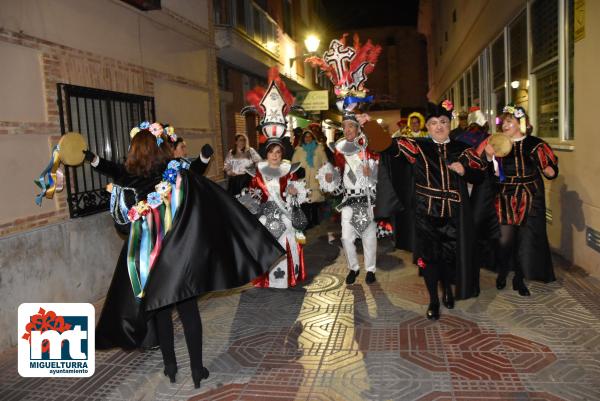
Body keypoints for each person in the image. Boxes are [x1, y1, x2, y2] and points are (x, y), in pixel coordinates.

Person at [85, 122, 285, 388]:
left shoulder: (127, 181)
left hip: (148, 258)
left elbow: (122, 224)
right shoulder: (175, 173)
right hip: (178, 255)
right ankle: (197, 369)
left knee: (161, 311)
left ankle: (170, 366)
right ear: (159, 149)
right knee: (188, 311)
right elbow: (200, 184)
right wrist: (203, 161)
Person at [387, 100, 486, 320]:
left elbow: (480, 175)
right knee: (431, 260)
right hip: (426, 215)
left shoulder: (463, 150)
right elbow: (388, 146)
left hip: (455, 216)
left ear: (449, 124)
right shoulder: (418, 147)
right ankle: (433, 299)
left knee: (450, 259)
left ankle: (448, 290)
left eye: (443, 122)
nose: (438, 126)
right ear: (428, 127)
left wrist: (465, 171)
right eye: (433, 123)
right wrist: (368, 127)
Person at [308, 34, 382, 285]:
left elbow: (380, 160)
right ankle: (353, 268)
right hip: (349, 199)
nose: (349, 130)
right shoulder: (339, 147)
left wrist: (369, 166)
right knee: (347, 237)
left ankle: (370, 269)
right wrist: (331, 178)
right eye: (346, 127)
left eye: (352, 127)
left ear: (357, 128)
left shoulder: (367, 144)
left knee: (369, 236)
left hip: (367, 197)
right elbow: (337, 174)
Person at [238, 66, 309, 288]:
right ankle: (266, 279)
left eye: (278, 152)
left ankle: (289, 276)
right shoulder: (256, 170)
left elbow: (299, 197)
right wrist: (251, 201)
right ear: (266, 154)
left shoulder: (290, 169)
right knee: (264, 230)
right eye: (272, 152)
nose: (276, 156)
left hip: (285, 213)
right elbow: (252, 195)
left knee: (287, 228)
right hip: (265, 215)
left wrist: (294, 194)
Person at [483, 104, 558, 296]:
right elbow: (492, 174)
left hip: (529, 196)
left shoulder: (534, 144)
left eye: (510, 121)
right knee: (504, 240)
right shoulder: (498, 143)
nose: (505, 125)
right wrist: (490, 157)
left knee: (526, 240)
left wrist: (551, 171)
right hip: (505, 196)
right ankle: (502, 271)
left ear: (521, 124)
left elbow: (548, 168)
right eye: (503, 122)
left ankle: (519, 278)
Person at [292, 130, 328, 228]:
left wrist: (324, 174)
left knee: (315, 202)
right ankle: (307, 221)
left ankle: (315, 219)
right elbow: (294, 164)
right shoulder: (299, 150)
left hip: (316, 178)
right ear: (303, 139)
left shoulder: (319, 149)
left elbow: (325, 163)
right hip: (303, 179)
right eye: (305, 137)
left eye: (309, 136)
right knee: (305, 201)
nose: (307, 138)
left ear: (312, 138)